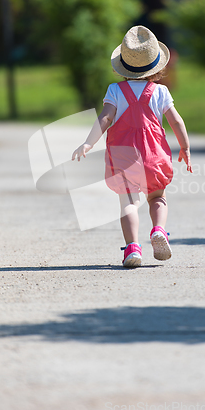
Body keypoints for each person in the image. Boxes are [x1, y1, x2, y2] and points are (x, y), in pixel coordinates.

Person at [72, 26, 192, 268]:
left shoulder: (115, 91)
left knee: (127, 201)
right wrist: (185, 148)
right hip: (153, 156)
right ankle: (158, 230)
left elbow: (105, 118)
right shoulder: (161, 91)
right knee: (157, 196)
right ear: (156, 66)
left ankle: (132, 248)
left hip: (124, 156)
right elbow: (176, 121)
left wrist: (88, 142)